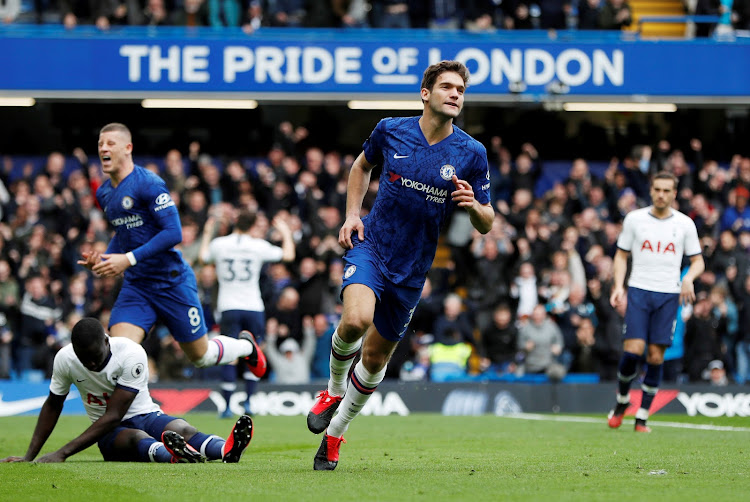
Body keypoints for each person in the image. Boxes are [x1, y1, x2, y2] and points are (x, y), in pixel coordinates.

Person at [306, 60, 494, 471]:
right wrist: (352, 213)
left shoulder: (471, 153)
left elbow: (487, 221)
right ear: (425, 93)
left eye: (460, 89)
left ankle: (335, 435)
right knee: (355, 320)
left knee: (375, 360)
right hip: (372, 245)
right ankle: (333, 389)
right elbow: (361, 166)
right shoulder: (391, 129)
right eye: (446, 87)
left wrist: (473, 206)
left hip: (413, 269)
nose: (455, 94)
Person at [77, 123, 267, 380]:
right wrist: (105, 258)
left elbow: (173, 233)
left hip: (171, 282)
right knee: (120, 355)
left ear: (128, 148)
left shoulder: (149, 184)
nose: (103, 148)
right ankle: (141, 418)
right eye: (100, 144)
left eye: (110, 143)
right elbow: (124, 234)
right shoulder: (104, 193)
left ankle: (246, 347)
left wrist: (128, 259)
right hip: (138, 287)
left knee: (201, 356)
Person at [0, 318, 253, 464]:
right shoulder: (65, 359)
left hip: (142, 414)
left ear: (107, 342)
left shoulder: (131, 353)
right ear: (73, 349)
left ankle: (226, 450)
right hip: (109, 431)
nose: (90, 364)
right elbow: (53, 404)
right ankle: (175, 456)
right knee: (135, 436)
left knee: (182, 428)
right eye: (83, 358)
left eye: (95, 357)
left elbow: (115, 412)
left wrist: (62, 453)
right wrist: (29, 456)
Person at [607, 171, 704, 433]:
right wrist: (618, 286)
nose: (661, 194)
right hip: (639, 291)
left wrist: (689, 279)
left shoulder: (684, 224)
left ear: (674, 193)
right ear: (651, 191)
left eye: (666, 190)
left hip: (668, 295)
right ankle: (622, 400)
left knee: (655, 356)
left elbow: (698, 261)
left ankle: (642, 416)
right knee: (633, 350)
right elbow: (620, 256)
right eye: (657, 189)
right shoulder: (635, 220)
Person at [199, 207, 295, 417]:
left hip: (228, 306)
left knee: (230, 355)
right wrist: (286, 232)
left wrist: (207, 232)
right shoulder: (258, 246)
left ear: (236, 223)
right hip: (253, 306)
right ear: (252, 226)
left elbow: (203, 257)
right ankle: (249, 402)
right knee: (254, 351)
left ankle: (225, 406)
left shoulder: (219, 244)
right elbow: (288, 255)